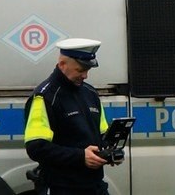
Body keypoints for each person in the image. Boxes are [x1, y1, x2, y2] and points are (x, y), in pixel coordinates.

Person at [23, 38, 112, 195]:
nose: (85, 76)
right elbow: (36, 148)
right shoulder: (45, 97)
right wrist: (80, 156)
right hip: (62, 188)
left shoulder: (90, 93)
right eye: (80, 70)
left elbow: (102, 135)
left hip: (95, 187)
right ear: (62, 64)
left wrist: (110, 152)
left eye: (87, 70)